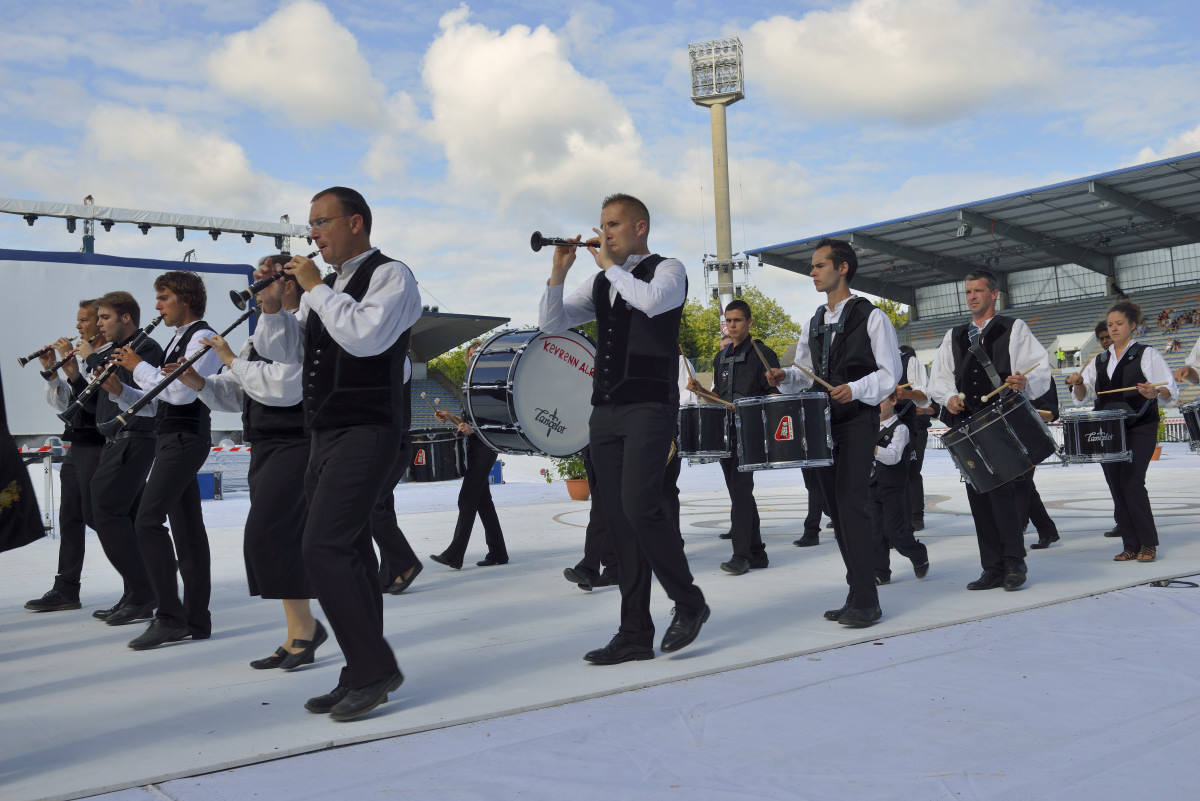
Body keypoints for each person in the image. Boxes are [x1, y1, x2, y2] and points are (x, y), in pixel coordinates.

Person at [255, 186, 419, 720]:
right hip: (325, 433)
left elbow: (365, 337)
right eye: (311, 225)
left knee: (322, 546)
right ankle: (359, 671)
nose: (313, 234)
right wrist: (275, 308)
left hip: (369, 429)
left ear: (356, 222)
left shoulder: (393, 276)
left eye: (322, 222)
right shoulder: (324, 289)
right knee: (347, 552)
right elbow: (288, 356)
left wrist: (313, 288)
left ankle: (375, 669)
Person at [539, 192, 708, 664]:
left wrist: (610, 267)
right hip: (606, 409)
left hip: (650, 406)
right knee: (616, 518)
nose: (604, 233)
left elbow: (650, 303)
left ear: (639, 227)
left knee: (640, 506)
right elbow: (551, 325)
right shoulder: (603, 281)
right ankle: (634, 633)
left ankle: (689, 601)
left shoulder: (667, 270)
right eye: (602, 224)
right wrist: (559, 272)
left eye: (613, 224)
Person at [180, 255, 327, 671]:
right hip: (265, 445)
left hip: (295, 443)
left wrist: (229, 358)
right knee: (276, 539)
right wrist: (199, 382)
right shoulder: (260, 332)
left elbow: (284, 387)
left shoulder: (306, 326)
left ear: (289, 282)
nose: (257, 288)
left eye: (265, 280)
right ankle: (299, 631)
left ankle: (307, 628)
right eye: (258, 280)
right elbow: (240, 392)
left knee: (269, 534)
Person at [766, 238, 900, 627]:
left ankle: (868, 600)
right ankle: (856, 593)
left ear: (843, 268)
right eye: (812, 266)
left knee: (851, 505)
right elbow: (804, 375)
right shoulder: (813, 322)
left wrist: (854, 389)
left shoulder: (872, 316)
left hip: (857, 420)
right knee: (837, 511)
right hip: (821, 423)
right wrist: (784, 376)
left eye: (819, 265)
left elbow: (890, 373)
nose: (812, 272)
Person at [110, 271, 221, 649]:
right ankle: (196, 619)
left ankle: (170, 616)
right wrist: (119, 389)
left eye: (163, 298)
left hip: (186, 438)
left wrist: (137, 365)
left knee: (147, 520)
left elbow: (180, 394)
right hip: (171, 437)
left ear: (185, 299)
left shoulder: (203, 338)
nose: (157, 306)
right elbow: (157, 400)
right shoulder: (177, 338)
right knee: (187, 530)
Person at [927, 270, 1051, 592]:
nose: (972, 297)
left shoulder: (1014, 328)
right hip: (968, 426)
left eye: (978, 291)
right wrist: (949, 397)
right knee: (979, 494)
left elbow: (1040, 369)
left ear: (994, 294)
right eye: (968, 291)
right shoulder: (954, 335)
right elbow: (939, 378)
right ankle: (992, 567)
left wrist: (1024, 381)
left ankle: (1014, 562)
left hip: (1003, 423)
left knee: (1005, 495)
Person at [1065, 301, 1177, 562]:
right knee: (1116, 485)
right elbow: (1082, 397)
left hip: (1140, 426)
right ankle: (1130, 544)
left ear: (1132, 325)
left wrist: (1154, 392)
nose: (1113, 329)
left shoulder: (1147, 354)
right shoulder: (1099, 360)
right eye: (1110, 324)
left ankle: (1148, 543)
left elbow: (1169, 390)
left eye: (1119, 324)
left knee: (1132, 481)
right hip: (1109, 430)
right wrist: (1078, 383)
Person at [85, 292, 164, 625]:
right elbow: (100, 402)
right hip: (116, 439)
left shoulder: (146, 348)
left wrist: (94, 361)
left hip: (134, 437)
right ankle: (137, 591)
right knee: (122, 518)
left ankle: (144, 592)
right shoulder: (116, 351)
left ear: (126, 318)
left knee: (104, 511)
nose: (99, 324)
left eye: (104, 317)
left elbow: (141, 396)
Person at [23, 300, 107, 613]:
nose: (77, 326)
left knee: (99, 517)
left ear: (100, 323)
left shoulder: (105, 356)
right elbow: (66, 407)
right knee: (69, 518)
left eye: (83, 320)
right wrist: (52, 374)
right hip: (77, 444)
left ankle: (145, 575)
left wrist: (74, 369)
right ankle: (66, 588)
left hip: (97, 445)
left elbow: (97, 404)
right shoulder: (81, 357)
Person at [687, 299, 778, 574]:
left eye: (737, 320)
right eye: (728, 321)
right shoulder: (721, 357)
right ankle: (758, 553)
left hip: (750, 432)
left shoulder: (763, 354)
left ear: (749, 322)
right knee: (740, 493)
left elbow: (773, 395)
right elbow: (718, 396)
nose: (732, 325)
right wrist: (701, 391)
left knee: (740, 492)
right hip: (726, 432)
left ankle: (741, 556)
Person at [430, 341, 509, 570]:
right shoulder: (470, 383)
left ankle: (454, 555)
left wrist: (474, 429)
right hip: (474, 446)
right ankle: (499, 552)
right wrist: (450, 417)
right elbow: (467, 422)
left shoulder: (492, 382)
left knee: (466, 498)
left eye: (478, 354)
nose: (473, 357)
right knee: (483, 502)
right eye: (471, 355)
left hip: (486, 446)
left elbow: (501, 418)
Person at [870, 390, 929, 585]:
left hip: (892, 488)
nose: (877, 407)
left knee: (894, 532)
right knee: (875, 532)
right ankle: (881, 572)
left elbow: (893, 456)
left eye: (881, 401)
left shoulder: (900, 429)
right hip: (871, 486)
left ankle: (918, 553)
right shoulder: (869, 428)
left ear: (894, 400)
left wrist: (870, 447)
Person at [897, 344, 932, 532]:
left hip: (915, 428)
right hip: (892, 426)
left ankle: (917, 516)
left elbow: (932, 406)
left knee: (912, 472)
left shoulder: (913, 367)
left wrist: (919, 406)